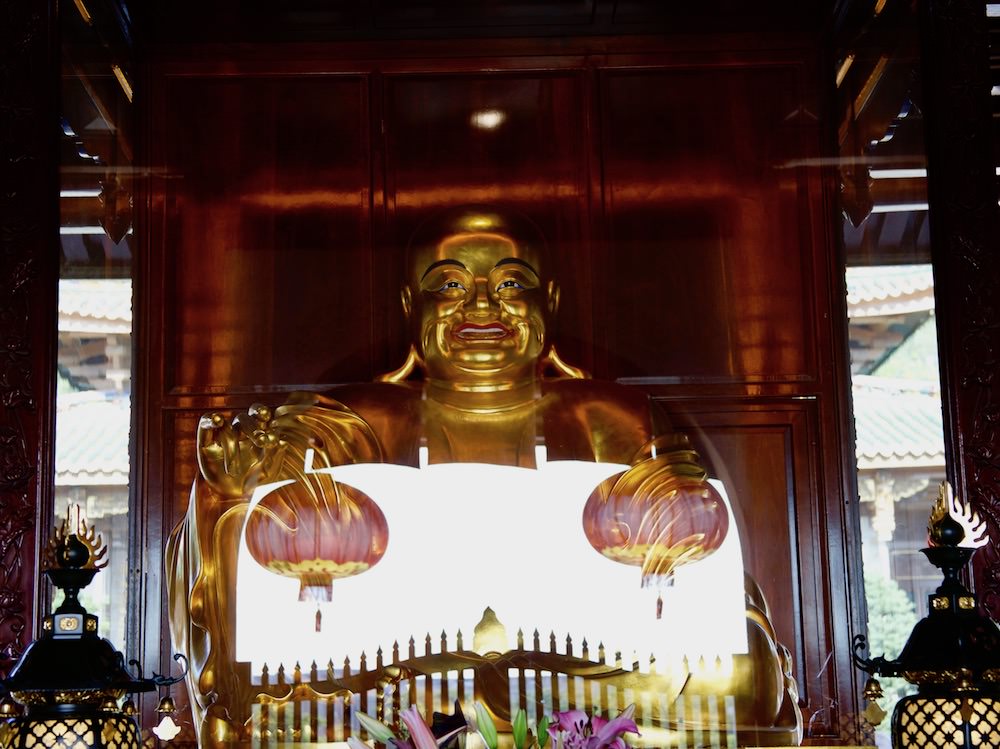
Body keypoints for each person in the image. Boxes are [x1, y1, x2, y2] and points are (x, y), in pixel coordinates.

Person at [166, 207, 800, 747]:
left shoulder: (617, 417)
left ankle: (507, 710)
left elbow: (711, 608)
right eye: (447, 284)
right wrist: (232, 489)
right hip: (408, 672)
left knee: (743, 679)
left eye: (511, 282)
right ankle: (555, 716)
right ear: (409, 306)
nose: (480, 305)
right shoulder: (353, 419)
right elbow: (257, 584)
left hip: (568, 669)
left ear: (550, 301)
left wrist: (668, 525)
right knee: (280, 692)